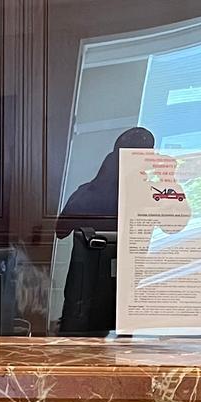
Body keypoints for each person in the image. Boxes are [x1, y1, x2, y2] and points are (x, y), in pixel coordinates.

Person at [54, 126, 155, 334]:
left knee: (76, 355)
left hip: (84, 293)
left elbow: (60, 230)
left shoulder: (86, 193)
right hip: (119, 290)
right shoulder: (146, 196)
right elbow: (175, 226)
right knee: (117, 355)